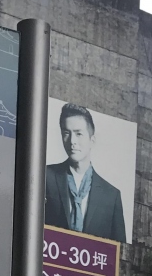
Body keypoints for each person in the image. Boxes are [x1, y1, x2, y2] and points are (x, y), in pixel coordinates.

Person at [44, 104, 126, 243]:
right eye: (66, 133)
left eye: (79, 134)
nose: (72, 141)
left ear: (92, 140)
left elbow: (119, 249)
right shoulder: (46, 176)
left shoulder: (111, 196)